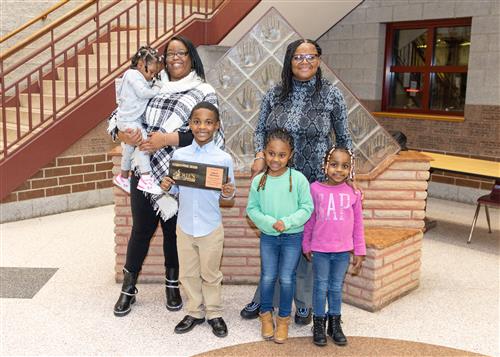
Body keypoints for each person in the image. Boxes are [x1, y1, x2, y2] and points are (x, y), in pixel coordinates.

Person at [241, 38, 353, 325]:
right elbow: (260, 131)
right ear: (289, 61)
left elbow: (344, 139)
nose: (304, 62)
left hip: (314, 180)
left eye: (310, 56)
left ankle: (303, 303)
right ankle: (265, 299)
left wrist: (348, 179)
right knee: (274, 237)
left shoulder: (331, 95)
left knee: (302, 241)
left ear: (318, 59)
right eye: (298, 57)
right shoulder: (275, 93)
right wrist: (258, 156)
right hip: (277, 178)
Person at [112, 36, 222, 317]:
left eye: (181, 52)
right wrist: (125, 133)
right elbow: (117, 116)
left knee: (174, 233)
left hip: (179, 172)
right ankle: (128, 287)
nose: (174, 57)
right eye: (169, 53)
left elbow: (206, 131)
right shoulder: (147, 84)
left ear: (191, 56)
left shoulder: (202, 90)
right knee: (141, 230)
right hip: (144, 169)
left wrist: (164, 140)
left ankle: (172, 285)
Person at [160, 102, 235, 338]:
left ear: (216, 126)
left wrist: (227, 191)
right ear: (190, 124)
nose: (202, 126)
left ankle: (213, 313)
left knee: (211, 273)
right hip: (184, 226)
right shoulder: (180, 155)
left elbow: (228, 194)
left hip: (210, 226)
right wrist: (168, 186)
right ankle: (195, 311)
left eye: (208, 122)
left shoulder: (223, 158)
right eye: (197, 121)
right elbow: (176, 191)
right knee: (188, 273)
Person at [246, 128, 314, 344]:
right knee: (267, 276)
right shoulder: (259, 181)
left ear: (290, 154)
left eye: (282, 155)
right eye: (271, 153)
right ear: (264, 153)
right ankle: (266, 316)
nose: (276, 159)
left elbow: (307, 208)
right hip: (268, 237)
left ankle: (283, 319)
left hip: (292, 237)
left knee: (287, 278)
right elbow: (252, 209)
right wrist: (269, 224)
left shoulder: (299, 179)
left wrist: (287, 222)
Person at [302, 146, 365, 347]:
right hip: (320, 249)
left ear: (350, 169)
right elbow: (310, 219)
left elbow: (358, 225)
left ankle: (335, 324)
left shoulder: (353, 193)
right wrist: (306, 243)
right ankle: (318, 323)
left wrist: (360, 251)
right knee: (320, 286)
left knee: (336, 288)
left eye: (345, 166)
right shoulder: (315, 189)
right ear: (325, 166)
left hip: (342, 251)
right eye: (334, 164)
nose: (339, 170)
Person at [113, 46, 163, 195]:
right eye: (152, 72)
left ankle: (123, 176)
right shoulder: (133, 75)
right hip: (129, 120)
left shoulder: (135, 77)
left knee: (129, 147)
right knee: (143, 142)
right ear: (141, 64)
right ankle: (146, 178)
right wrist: (157, 88)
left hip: (127, 119)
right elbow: (143, 93)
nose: (152, 76)